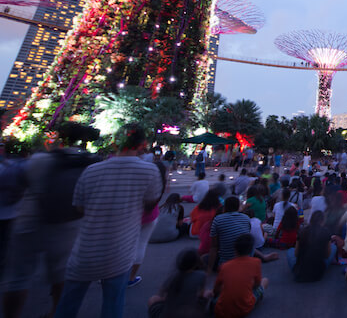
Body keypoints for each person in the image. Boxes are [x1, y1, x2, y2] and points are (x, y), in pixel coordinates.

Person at [53, 123, 162, 318]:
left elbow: (79, 208)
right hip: (119, 254)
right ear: (143, 144)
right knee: (112, 308)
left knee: (67, 307)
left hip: (84, 253)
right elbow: (150, 203)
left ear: (114, 144)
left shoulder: (91, 170)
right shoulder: (150, 171)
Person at [2, 137, 95, 318]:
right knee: (61, 274)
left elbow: (13, 182)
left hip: (30, 221)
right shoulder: (87, 163)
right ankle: (56, 312)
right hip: (67, 223)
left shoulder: (40, 159)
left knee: (18, 277)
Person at [212, 234, 268, 318]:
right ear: (251, 250)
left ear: (235, 249)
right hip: (244, 309)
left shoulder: (224, 266)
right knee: (265, 281)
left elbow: (216, 289)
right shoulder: (256, 262)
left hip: (221, 310)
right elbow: (257, 284)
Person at [146, 249, 209, 318]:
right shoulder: (201, 275)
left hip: (167, 314)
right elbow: (201, 295)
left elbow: (162, 295)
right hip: (191, 314)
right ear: (195, 263)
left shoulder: (173, 277)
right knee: (207, 293)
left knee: (153, 299)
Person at [287, 211, 336, 282]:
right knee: (334, 247)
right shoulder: (326, 232)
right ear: (322, 220)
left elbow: (296, 254)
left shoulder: (302, 231)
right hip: (318, 272)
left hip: (300, 271)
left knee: (290, 251)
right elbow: (327, 255)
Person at [208, 196, 251, 271]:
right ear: (238, 207)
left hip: (225, 264)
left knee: (204, 257)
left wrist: (209, 269)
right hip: (246, 262)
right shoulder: (246, 218)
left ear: (225, 207)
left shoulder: (218, 219)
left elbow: (214, 246)